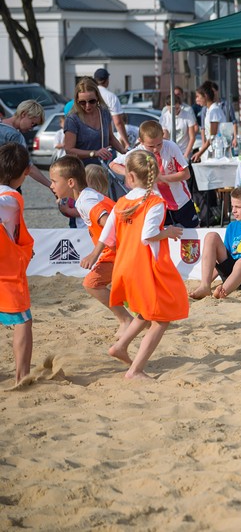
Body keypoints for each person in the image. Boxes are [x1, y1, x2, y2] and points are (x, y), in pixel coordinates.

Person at [94, 150, 188, 379]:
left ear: (131, 177)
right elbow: (148, 235)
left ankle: (120, 346)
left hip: (125, 265)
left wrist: (93, 254)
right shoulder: (155, 202)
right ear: (154, 175)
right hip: (146, 266)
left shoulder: (122, 201)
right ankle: (135, 370)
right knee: (162, 319)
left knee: (147, 312)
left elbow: (108, 235)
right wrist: (168, 231)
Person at [51, 157, 132, 339]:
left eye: (54, 181)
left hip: (119, 251)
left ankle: (127, 320)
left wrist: (94, 254)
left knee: (92, 284)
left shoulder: (86, 201)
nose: (51, 185)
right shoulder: (86, 196)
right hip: (122, 249)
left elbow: (108, 224)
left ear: (70, 182)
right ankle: (139, 318)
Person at [109, 121, 198, 227]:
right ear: (140, 141)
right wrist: (134, 174)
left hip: (181, 202)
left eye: (159, 144)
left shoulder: (171, 147)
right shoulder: (137, 153)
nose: (156, 149)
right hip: (157, 205)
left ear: (163, 136)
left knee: (193, 237)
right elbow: (113, 164)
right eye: (151, 146)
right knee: (163, 239)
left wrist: (161, 178)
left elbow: (186, 174)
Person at [0, 143, 33, 385]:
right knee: (23, 320)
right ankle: (22, 376)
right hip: (6, 270)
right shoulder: (12, 198)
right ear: (25, 172)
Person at [63, 78, 128, 167]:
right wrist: (94, 153)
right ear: (77, 101)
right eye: (82, 102)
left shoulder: (104, 112)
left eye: (92, 101)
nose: (87, 106)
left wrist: (124, 151)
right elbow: (69, 150)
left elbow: (110, 138)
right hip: (81, 171)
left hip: (103, 169)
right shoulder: (72, 119)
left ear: (97, 97)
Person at [0, 99, 51, 187]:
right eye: (33, 124)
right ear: (23, 114)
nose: (32, 128)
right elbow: (29, 167)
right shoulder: (16, 136)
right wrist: (50, 185)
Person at [191, 81, 230, 163]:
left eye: (198, 96)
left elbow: (212, 136)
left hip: (218, 151)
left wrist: (200, 153)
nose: (197, 100)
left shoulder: (214, 111)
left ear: (205, 96)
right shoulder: (209, 110)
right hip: (214, 149)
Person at [93, 68, 129, 149]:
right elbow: (118, 122)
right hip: (105, 141)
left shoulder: (89, 94)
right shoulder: (111, 96)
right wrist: (126, 143)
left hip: (89, 139)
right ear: (107, 80)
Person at [160, 93, 197, 160]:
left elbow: (192, 137)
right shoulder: (164, 117)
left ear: (180, 105)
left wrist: (186, 154)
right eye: (172, 109)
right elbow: (165, 137)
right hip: (170, 152)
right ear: (167, 106)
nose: (175, 111)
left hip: (184, 150)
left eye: (177, 108)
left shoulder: (187, 115)